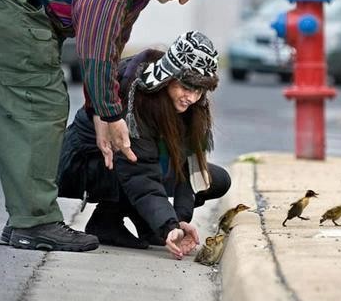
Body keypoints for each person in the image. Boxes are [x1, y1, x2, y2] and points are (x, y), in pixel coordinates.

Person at [0, 0, 217, 252]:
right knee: (39, 101)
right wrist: (110, 112)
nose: (184, 0)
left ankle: (26, 220)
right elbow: (94, 49)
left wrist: (99, 112)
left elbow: (111, 50)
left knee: (38, 98)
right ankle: (34, 223)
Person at [57, 31, 230, 259]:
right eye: (186, 87)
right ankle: (108, 219)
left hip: (136, 164)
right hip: (86, 163)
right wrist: (167, 225)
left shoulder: (194, 107)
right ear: (169, 76)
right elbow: (139, 174)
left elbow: (190, 167)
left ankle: (142, 222)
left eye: (198, 91)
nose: (191, 97)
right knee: (145, 167)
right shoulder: (137, 93)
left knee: (215, 179)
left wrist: (179, 220)